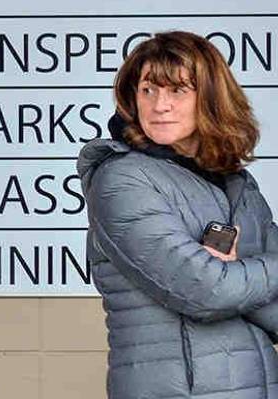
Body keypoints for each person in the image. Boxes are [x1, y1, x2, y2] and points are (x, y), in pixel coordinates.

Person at [80, 31, 278, 398]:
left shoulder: (237, 183)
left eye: (177, 91)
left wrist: (239, 278)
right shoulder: (121, 179)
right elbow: (207, 291)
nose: (160, 105)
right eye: (148, 91)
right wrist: (243, 277)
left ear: (212, 99)